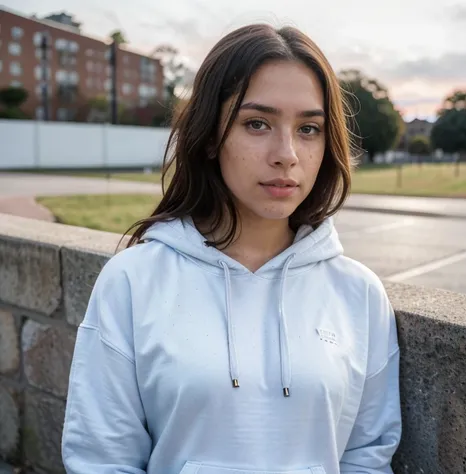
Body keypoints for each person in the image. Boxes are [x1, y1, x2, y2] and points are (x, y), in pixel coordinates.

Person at [61, 23, 401, 474]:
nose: (287, 154)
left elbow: (369, 454)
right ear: (207, 137)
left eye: (309, 128)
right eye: (256, 123)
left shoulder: (359, 294)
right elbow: (100, 459)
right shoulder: (132, 281)